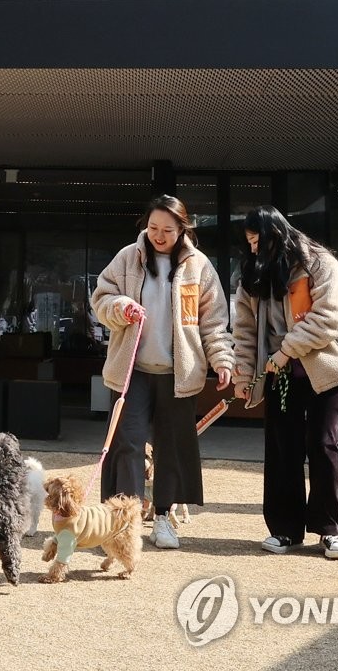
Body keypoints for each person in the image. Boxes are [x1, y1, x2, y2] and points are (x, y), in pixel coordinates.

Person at [91, 194, 234, 550]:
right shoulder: (127, 257)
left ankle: (162, 519)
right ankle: (124, 522)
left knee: (170, 448)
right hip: (132, 370)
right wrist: (121, 306)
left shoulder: (199, 266)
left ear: (183, 229)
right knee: (129, 443)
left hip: (178, 373)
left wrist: (222, 361)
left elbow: (213, 322)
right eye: (153, 227)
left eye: (167, 230)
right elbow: (101, 299)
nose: (158, 235)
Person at [232, 206, 338, 559]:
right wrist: (245, 375)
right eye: (250, 243)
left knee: (323, 444)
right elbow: (243, 330)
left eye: (259, 241)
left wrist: (287, 350)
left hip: (326, 371)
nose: (254, 250)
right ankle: (285, 530)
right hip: (278, 374)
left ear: (277, 234)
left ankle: (330, 530)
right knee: (282, 451)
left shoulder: (318, 263)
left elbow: (331, 316)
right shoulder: (252, 273)